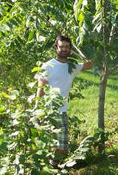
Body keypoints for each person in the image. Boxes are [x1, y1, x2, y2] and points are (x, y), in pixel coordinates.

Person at [36, 34, 92, 164]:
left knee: (62, 148)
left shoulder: (72, 66)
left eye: (67, 47)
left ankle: (53, 167)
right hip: (48, 111)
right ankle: (47, 168)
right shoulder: (48, 66)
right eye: (61, 47)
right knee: (45, 145)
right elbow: (41, 87)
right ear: (56, 48)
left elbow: (89, 64)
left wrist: (79, 54)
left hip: (62, 111)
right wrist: (38, 109)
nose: (64, 49)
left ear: (70, 49)